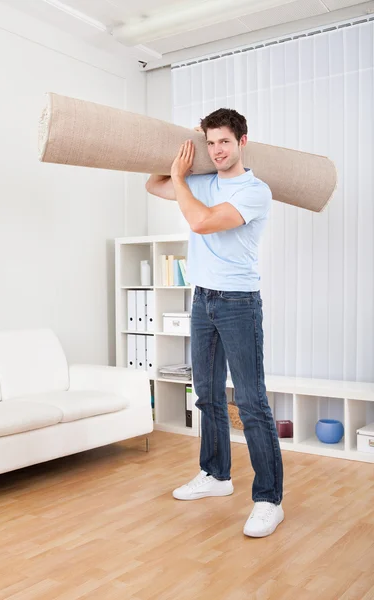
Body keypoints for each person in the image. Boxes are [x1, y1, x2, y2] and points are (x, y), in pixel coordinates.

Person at [145, 108, 284, 538]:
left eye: (224, 141)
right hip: (202, 298)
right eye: (210, 142)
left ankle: (268, 499)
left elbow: (202, 222)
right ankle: (216, 475)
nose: (216, 150)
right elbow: (153, 184)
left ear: (242, 141)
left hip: (238, 303)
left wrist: (183, 180)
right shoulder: (202, 180)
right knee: (205, 392)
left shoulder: (255, 190)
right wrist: (178, 161)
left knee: (251, 401)